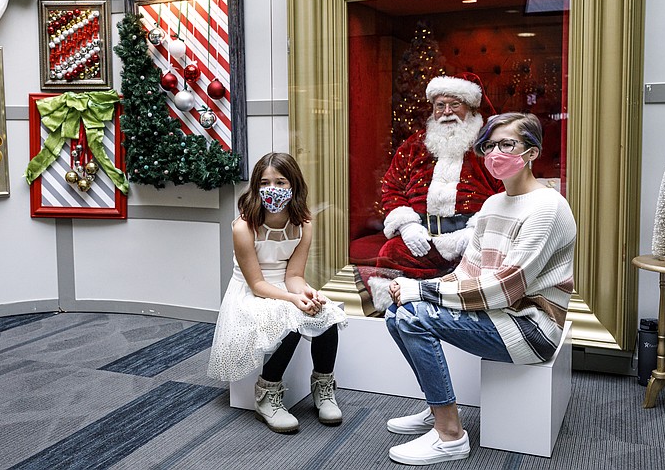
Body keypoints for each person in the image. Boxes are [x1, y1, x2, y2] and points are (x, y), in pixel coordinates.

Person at [384, 112, 576, 465]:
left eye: (507, 144)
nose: (495, 153)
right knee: (396, 312)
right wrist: (416, 286)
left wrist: (421, 293)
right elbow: (466, 271)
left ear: (532, 152)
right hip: (498, 314)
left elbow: (505, 289)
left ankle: (450, 435)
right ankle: (436, 406)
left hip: (530, 327)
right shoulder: (492, 204)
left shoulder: (547, 208)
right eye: (489, 145)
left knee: (412, 315)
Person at [207, 152, 347, 434]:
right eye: (265, 182)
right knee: (291, 320)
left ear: (293, 184)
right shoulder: (243, 227)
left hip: (284, 287)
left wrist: (307, 293)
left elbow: (293, 275)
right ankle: (267, 393)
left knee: (327, 315)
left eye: (281, 182)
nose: (273, 189)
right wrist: (294, 301)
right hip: (250, 292)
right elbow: (257, 284)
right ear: (256, 187)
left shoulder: (303, 223)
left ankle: (323, 387)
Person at [368, 74, 503, 312]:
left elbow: (507, 194)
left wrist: (476, 231)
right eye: (440, 105)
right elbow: (392, 186)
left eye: (455, 104)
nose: (447, 112)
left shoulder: (489, 146)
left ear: (470, 107)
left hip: (471, 240)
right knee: (390, 253)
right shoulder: (414, 145)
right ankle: (397, 315)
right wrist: (407, 226)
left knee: (486, 270)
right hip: (422, 237)